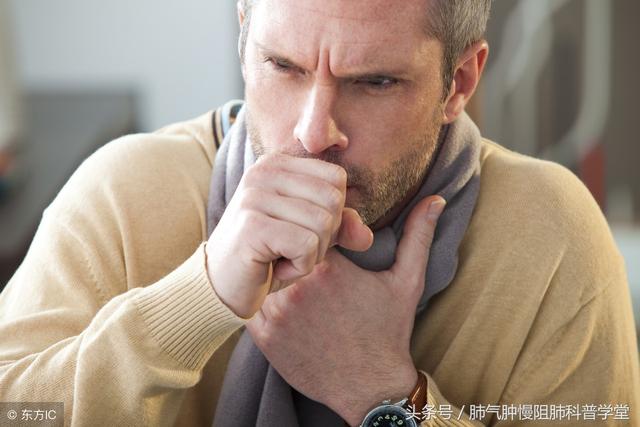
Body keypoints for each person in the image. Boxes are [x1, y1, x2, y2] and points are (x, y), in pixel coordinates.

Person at [0, 0, 638, 426]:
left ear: (461, 82)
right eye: (283, 66)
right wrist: (203, 297)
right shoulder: (127, 193)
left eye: (374, 83)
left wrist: (383, 396)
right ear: (244, 38)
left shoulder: (551, 240)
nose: (313, 133)